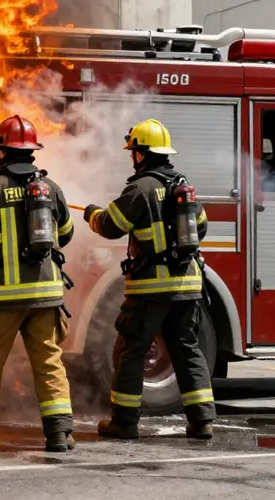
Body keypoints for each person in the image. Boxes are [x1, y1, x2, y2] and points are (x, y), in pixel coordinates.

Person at [84, 118, 215, 440]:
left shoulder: (140, 189)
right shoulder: (183, 186)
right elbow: (201, 226)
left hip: (150, 288)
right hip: (186, 285)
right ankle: (202, 422)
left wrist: (91, 214)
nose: (132, 157)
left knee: (131, 350)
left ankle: (124, 422)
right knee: (186, 349)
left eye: (133, 152)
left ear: (141, 154)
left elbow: (111, 225)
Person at [0, 115, 75, 453]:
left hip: (4, 299)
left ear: (2, 152)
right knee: (49, 362)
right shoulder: (51, 189)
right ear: (32, 151)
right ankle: (59, 434)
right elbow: (65, 235)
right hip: (46, 296)